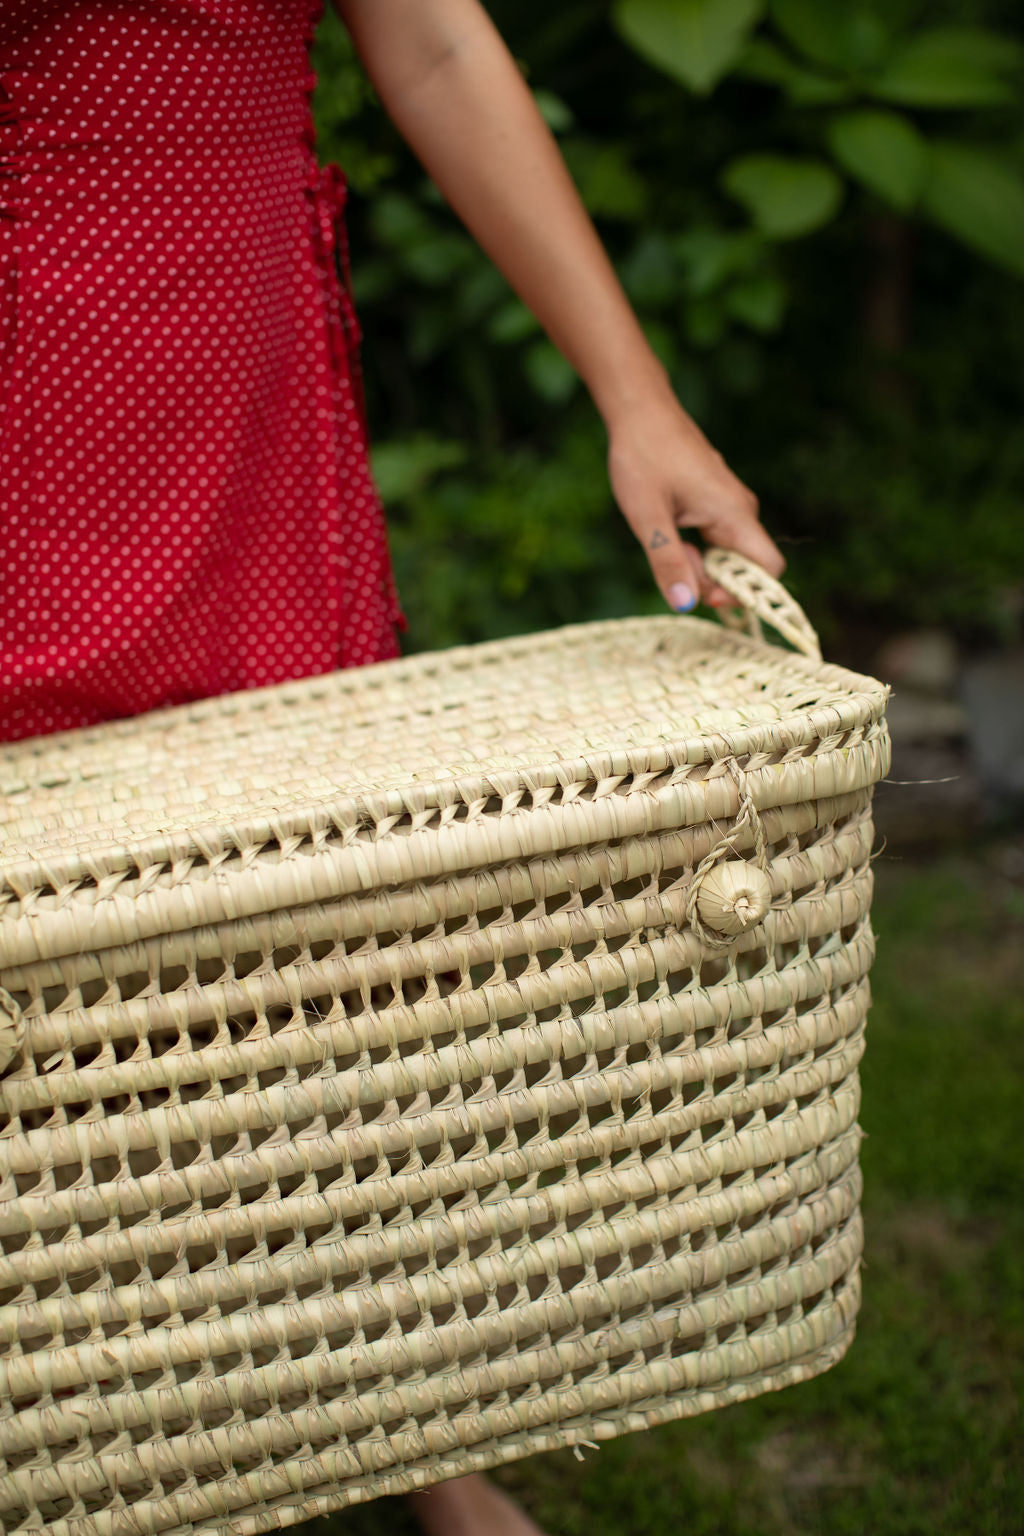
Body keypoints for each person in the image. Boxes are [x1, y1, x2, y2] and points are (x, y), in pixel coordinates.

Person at [0, 0, 784, 1529]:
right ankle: (73, 1418)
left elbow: (431, 40)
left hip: (248, 395)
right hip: (38, 399)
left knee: (323, 932)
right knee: (45, 961)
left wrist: (636, 396)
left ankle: (406, 1425)